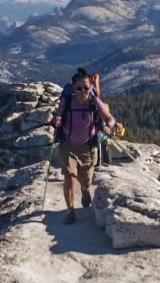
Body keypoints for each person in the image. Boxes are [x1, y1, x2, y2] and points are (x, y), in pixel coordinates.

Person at [50, 68, 117, 224]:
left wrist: (109, 126)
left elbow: (110, 118)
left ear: (91, 88)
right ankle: (70, 211)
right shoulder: (66, 101)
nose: (82, 91)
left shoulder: (94, 102)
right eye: (79, 88)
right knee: (69, 177)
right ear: (73, 89)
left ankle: (85, 190)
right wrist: (56, 120)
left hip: (87, 147)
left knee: (86, 180)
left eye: (86, 88)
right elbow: (57, 115)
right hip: (68, 146)